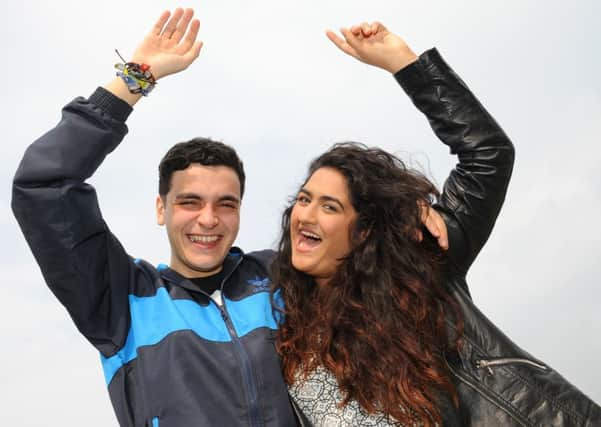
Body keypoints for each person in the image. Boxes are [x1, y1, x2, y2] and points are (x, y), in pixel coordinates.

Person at [11, 9, 448, 427]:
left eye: (226, 204)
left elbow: (353, 241)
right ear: (161, 208)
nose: (208, 220)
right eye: (189, 202)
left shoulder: (281, 277)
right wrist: (135, 76)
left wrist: (400, 207)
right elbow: (44, 185)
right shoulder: (119, 301)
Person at [271, 22, 601, 426]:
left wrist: (404, 64)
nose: (305, 214)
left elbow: (488, 155)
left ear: (365, 230)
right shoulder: (281, 319)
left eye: (329, 206)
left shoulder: (423, 266)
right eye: (304, 200)